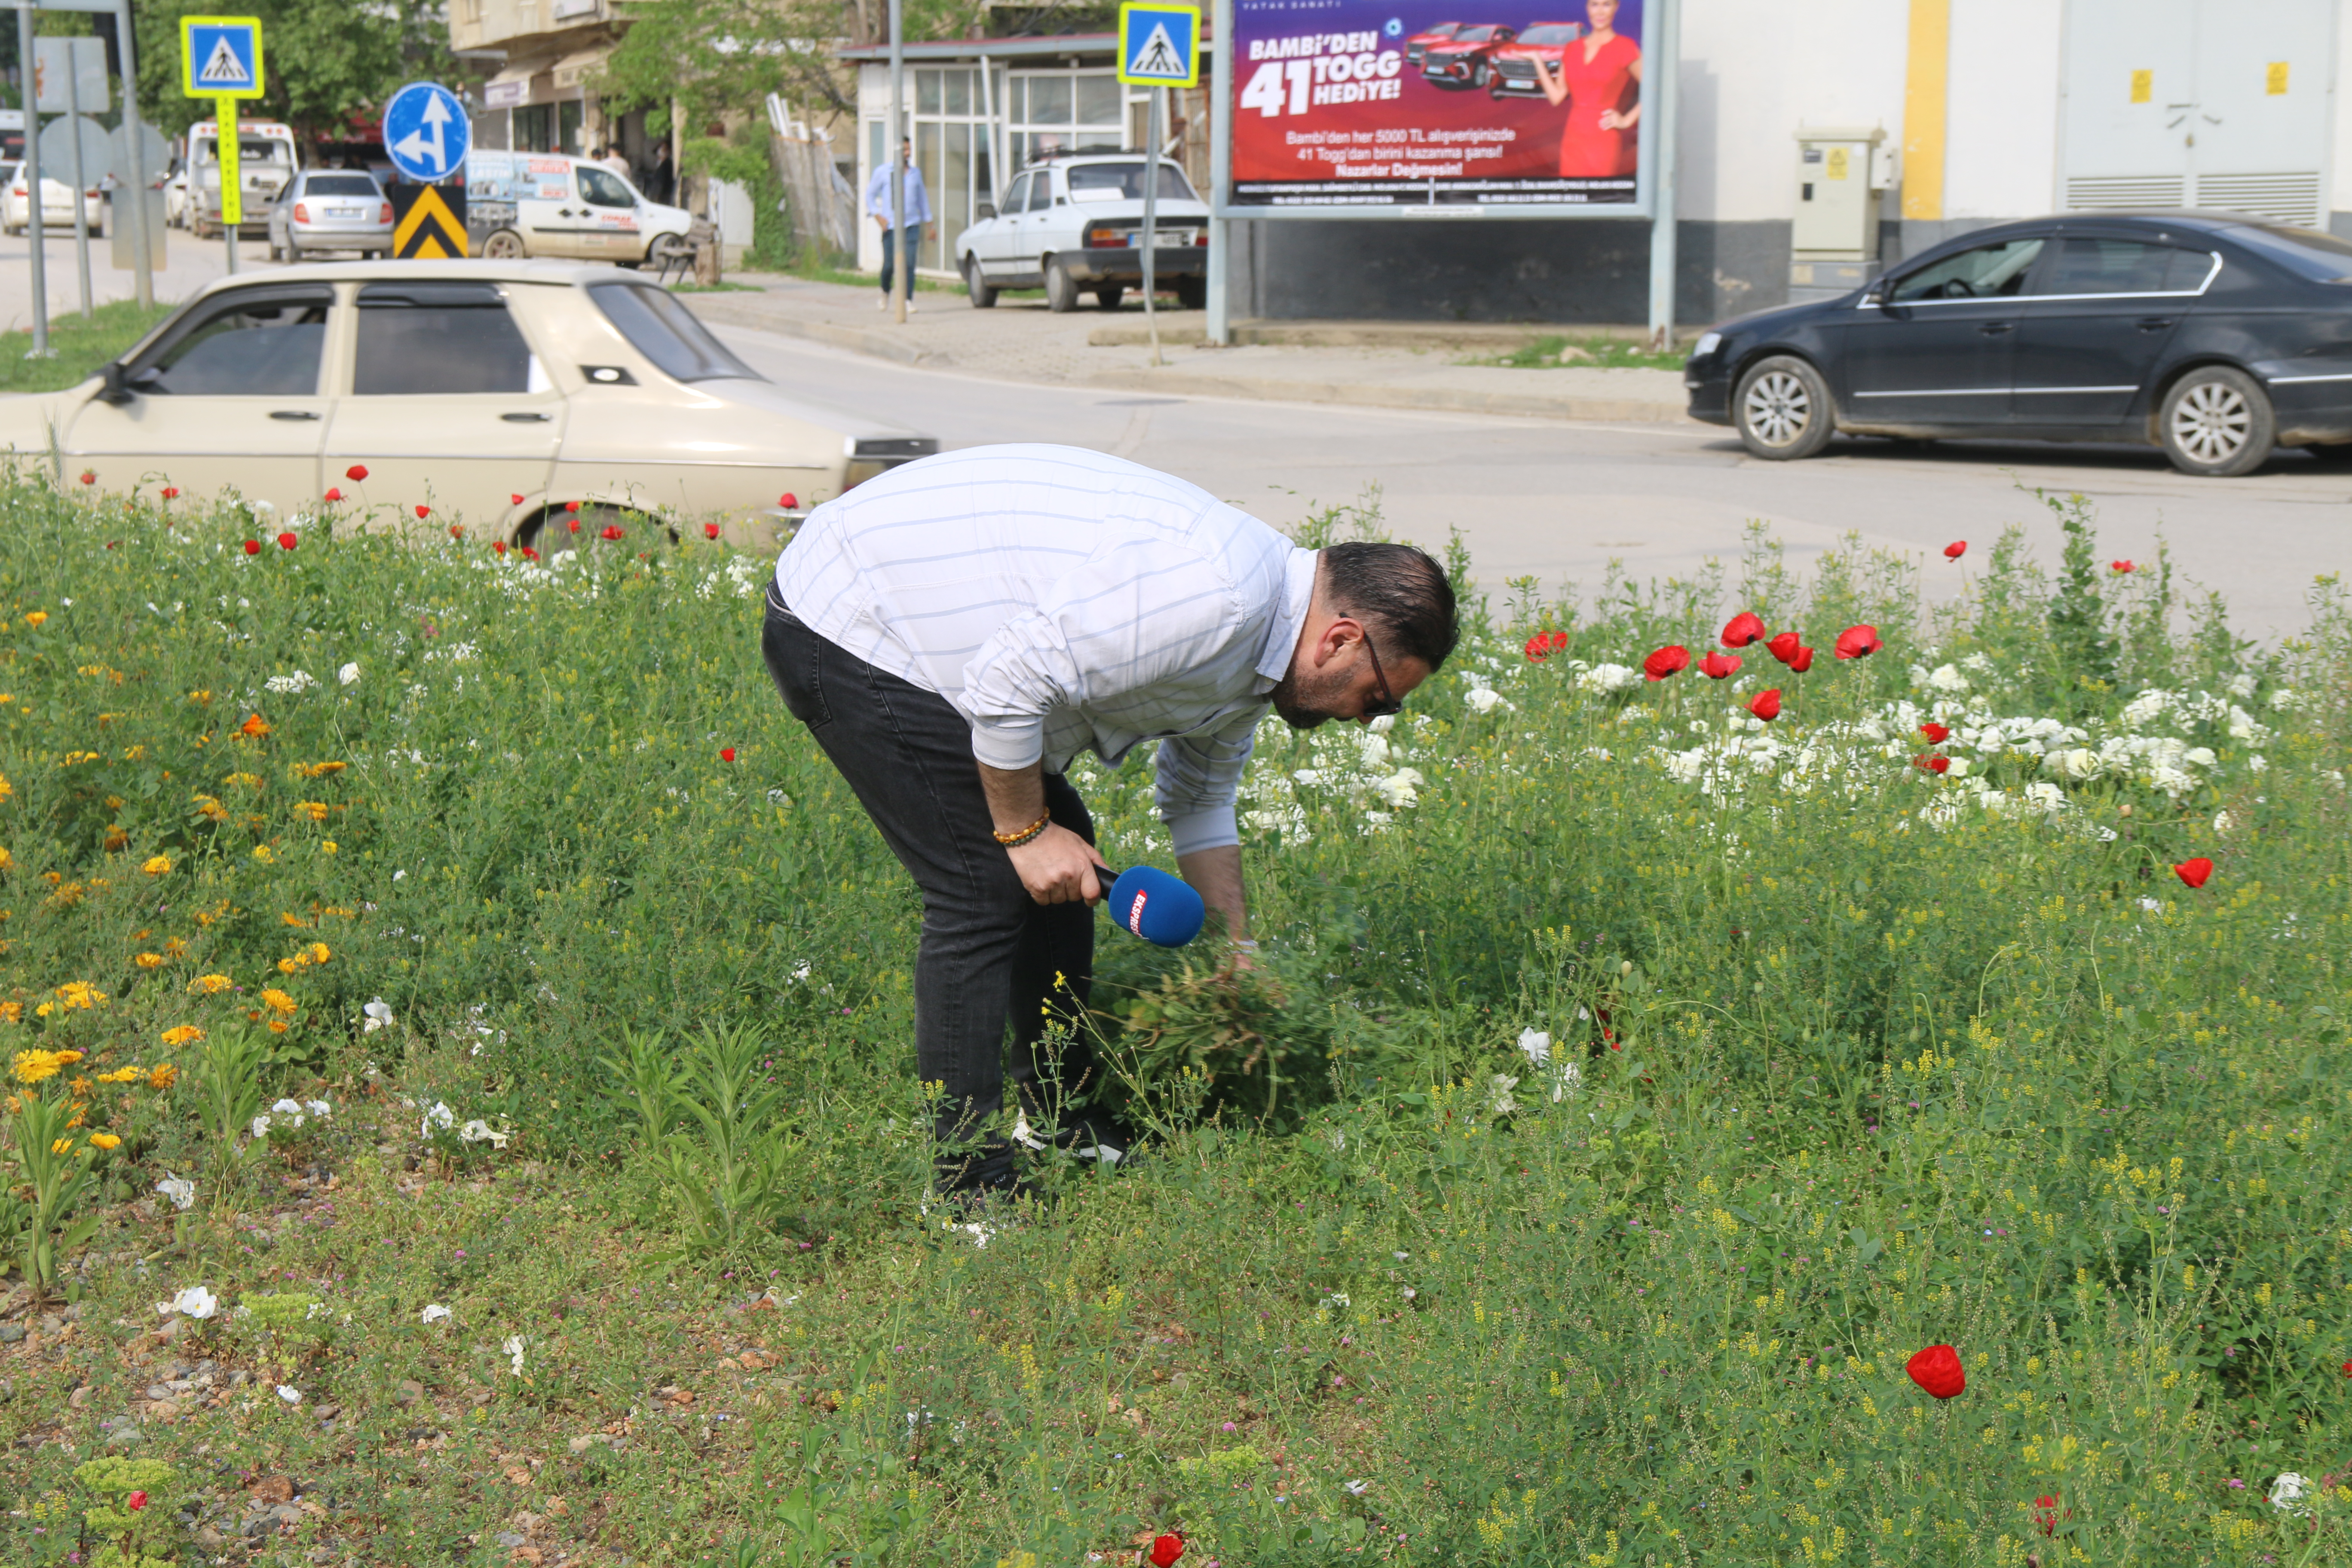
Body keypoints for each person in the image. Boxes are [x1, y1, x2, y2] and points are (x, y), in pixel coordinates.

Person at [763, 445, 1458, 1202]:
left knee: (1068, 865)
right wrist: (1024, 835)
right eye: (1380, 699)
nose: (1368, 718)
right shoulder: (1218, 601)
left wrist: (1234, 950)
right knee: (983, 886)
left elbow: (1200, 797)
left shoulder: (1260, 655)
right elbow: (1007, 681)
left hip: (928, 639)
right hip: (852, 616)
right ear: (1341, 639)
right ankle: (967, 1181)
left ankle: (1059, 1116)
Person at [1532, 0, 1643, 178]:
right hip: (1573, 138)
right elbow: (1557, 97)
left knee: (1600, 193)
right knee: (1571, 192)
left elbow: (1655, 88)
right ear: (1587, 8)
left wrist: (1627, 120)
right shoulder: (1572, 48)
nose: (1600, 12)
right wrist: (1537, 61)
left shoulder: (1625, 47)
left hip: (1603, 138)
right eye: (1594, 5)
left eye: (1607, 5)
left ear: (1616, 8)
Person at [864, 137, 934, 312]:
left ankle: (907, 300)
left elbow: (922, 200)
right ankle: (885, 292)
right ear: (897, 152)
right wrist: (878, 216)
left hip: (911, 225)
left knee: (909, 264)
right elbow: (870, 195)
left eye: (909, 150)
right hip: (891, 227)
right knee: (890, 265)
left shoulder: (915, 173)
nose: (908, 154)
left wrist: (930, 225)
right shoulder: (884, 172)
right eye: (904, 150)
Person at [643, 141, 674, 205]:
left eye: (664, 150)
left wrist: (656, 197)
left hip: (663, 197)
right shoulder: (661, 163)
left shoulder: (667, 164)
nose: (660, 152)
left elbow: (661, 182)